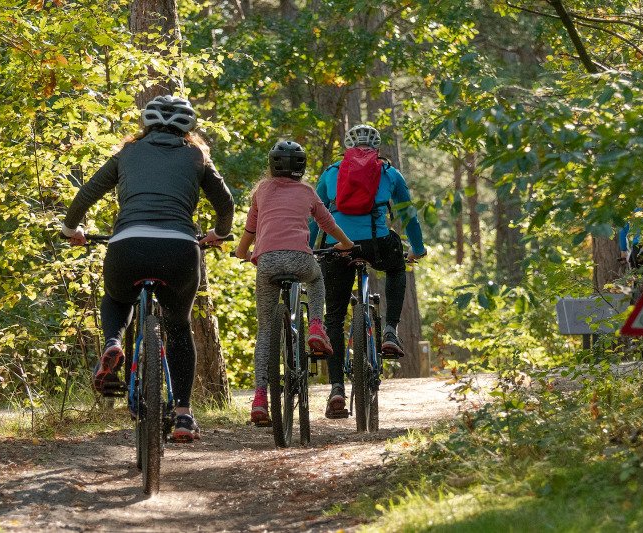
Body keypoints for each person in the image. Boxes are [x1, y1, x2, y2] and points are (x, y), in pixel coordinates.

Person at [61, 95, 234, 442]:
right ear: (189, 128)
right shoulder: (196, 155)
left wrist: (71, 230)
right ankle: (183, 414)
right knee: (179, 328)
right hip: (179, 248)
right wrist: (220, 233)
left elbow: (87, 193)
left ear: (146, 124)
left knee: (117, 297)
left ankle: (113, 343)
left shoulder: (127, 153)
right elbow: (225, 203)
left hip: (128, 244)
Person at [309, 124, 426, 419]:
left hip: (338, 247)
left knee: (334, 316)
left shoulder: (331, 172)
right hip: (377, 244)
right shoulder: (389, 173)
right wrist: (418, 247)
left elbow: (314, 215)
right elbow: (408, 214)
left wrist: (310, 247)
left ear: (347, 147)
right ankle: (389, 331)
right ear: (376, 147)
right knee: (397, 268)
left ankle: (336, 388)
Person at [234, 140, 354, 425]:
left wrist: (243, 253)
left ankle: (260, 399)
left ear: (272, 166)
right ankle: (315, 326)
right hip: (301, 260)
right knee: (316, 279)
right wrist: (346, 244)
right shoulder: (308, 192)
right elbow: (328, 224)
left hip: (267, 263)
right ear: (301, 168)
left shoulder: (262, 191)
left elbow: (251, 228)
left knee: (265, 332)